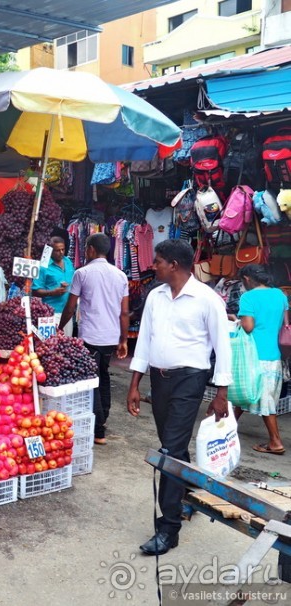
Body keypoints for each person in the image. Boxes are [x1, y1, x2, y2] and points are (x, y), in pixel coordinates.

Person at [126, 239, 232, 556]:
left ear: (173, 264)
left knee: (169, 451)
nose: (152, 265)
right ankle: (187, 493)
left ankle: (168, 528)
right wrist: (134, 384)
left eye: (157, 261)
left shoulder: (207, 299)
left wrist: (221, 392)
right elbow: (144, 341)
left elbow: (222, 346)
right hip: (159, 379)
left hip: (190, 379)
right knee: (174, 444)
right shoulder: (155, 297)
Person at [58, 233, 129, 444]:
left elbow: (71, 307)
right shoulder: (121, 275)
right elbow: (124, 313)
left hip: (90, 336)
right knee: (104, 375)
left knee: (92, 381)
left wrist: (60, 327)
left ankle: (98, 431)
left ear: (89, 249)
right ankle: (103, 417)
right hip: (111, 336)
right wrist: (124, 339)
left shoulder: (82, 273)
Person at [233, 264, 287, 455]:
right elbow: (283, 323)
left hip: (254, 355)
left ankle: (275, 442)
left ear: (247, 279)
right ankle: (226, 426)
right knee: (247, 391)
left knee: (264, 399)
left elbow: (248, 326)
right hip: (273, 355)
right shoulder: (280, 295)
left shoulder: (248, 297)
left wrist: (237, 320)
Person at [32, 236, 75, 335]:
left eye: (63, 249)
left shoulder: (68, 262)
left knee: (67, 345)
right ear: (50, 251)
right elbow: (35, 291)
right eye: (57, 250)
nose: (61, 252)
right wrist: (52, 292)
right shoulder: (43, 266)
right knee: (51, 345)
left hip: (67, 313)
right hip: (50, 314)